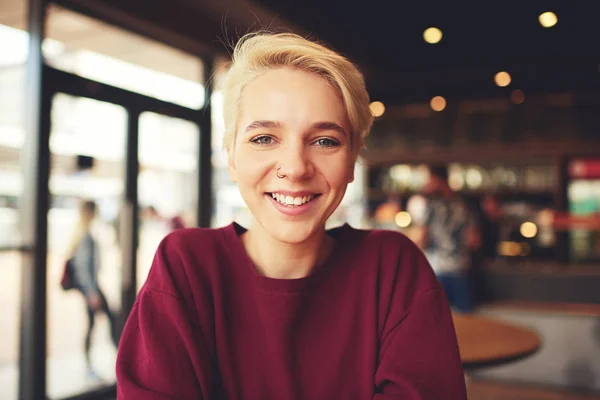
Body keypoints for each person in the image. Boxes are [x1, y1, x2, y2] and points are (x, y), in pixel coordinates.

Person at [116, 32, 466, 399]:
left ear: (352, 162)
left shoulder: (392, 268)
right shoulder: (188, 265)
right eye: (264, 138)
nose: (296, 168)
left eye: (325, 141)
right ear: (232, 157)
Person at [409, 166, 480, 313]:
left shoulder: (432, 206)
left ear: (438, 180)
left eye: (429, 180)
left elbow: (421, 237)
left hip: (439, 269)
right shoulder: (464, 205)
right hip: (458, 268)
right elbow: (474, 241)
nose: (426, 184)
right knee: (464, 321)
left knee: (436, 318)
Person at [67, 200, 119, 379]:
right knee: (110, 321)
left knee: (97, 324)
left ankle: (92, 365)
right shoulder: (85, 237)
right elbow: (83, 268)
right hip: (92, 288)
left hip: (92, 287)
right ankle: (95, 365)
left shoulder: (83, 233)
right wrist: (91, 292)